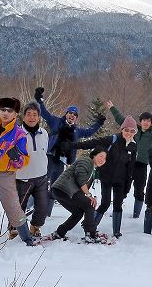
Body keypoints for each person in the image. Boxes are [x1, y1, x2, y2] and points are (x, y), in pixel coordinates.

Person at [34, 86, 105, 216]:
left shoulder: (77, 131)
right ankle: (32, 207)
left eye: (75, 115)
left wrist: (99, 123)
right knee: (41, 184)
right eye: (70, 113)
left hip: (62, 162)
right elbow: (44, 113)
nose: (72, 116)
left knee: (54, 188)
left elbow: (90, 132)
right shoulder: (56, 122)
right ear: (66, 114)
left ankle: (47, 213)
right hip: (50, 157)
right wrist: (39, 99)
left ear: (76, 118)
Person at [0, 97, 36, 249]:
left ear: (16, 114)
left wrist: (16, 157)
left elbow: (25, 160)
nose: (5, 113)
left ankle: (27, 241)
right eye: (3, 110)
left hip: (5, 176)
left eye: (10, 111)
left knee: (13, 208)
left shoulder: (19, 135)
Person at [106, 97, 152, 218]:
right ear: (140, 121)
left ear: (151, 123)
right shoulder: (134, 130)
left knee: (139, 191)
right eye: (144, 120)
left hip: (142, 165)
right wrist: (112, 108)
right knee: (123, 187)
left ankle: (136, 215)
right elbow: (121, 120)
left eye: (148, 121)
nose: (146, 122)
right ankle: (117, 209)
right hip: (128, 164)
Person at [69, 116, 138, 238]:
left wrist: (127, 186)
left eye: (132, 131)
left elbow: (131, 167)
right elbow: (93, 143)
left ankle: (116, 232)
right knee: (105, 204)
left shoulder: (133, 146)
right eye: (126, 130)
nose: (129, 133)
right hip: (107, 177)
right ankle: (91, 227)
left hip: (120, 180)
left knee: (118, 205)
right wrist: (73, 146)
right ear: (122, 129)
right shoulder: (113, 139)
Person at [48, 147, 108, 243]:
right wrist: (89, 195)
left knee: (78, 213)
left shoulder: (92, 169)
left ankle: (59, 233)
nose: (102, 160)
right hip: (64, 189)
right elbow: (80, 178)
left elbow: (81, 187)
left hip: (61, 191)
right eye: (101, 156)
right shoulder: (86, 161)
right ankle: (90, 234)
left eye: (104, 159)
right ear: (94, 155)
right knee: (90, 204)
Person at [12, 102, 49, 238]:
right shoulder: (17, 133)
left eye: (35, 115)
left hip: (41, 177)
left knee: (43, 207)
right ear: (23, 116)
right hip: (22, 177)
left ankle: (35, 227)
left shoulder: (44, 133)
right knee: (19, 206)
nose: (32, 117)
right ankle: (14, 228)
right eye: (29, 114)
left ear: (39, 117)